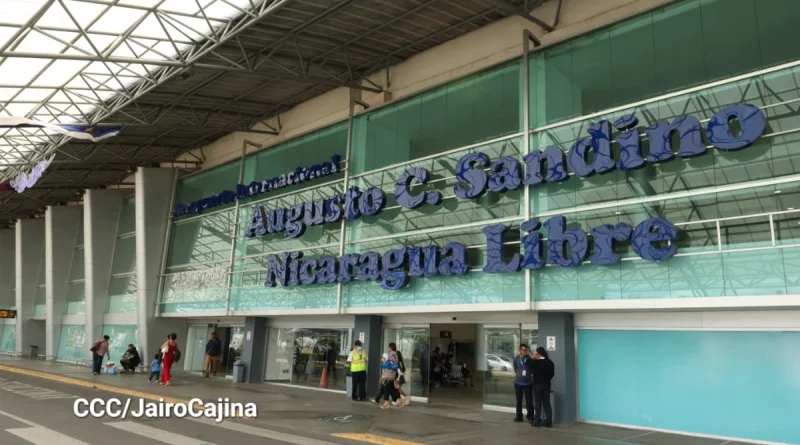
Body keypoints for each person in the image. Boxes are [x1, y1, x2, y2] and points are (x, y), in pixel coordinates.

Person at [531, 347, 555, 428]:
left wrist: (533, 357)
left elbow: (527, 363)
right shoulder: (550, 362)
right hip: (546, 385)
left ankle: (537, 422)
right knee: (547, 403)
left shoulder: (535, 362)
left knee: (538, 404)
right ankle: (549, 422)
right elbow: (552, 374)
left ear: (538, 353)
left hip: (537, 385)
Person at [513, 343, 534, 423]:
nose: (526, 352)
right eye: (524, 350)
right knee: (519, 401)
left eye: (526, 350)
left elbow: (532, 370)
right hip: (518, 383)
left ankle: (530, 417)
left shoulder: (529, 359)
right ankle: (519, 417)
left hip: (528, 383)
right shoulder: (516, 359)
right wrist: (519, 374)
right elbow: (515, 368)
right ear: (520, 350)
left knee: (529, 401)